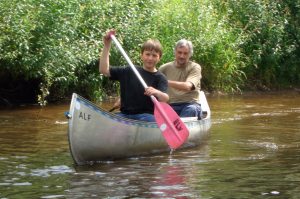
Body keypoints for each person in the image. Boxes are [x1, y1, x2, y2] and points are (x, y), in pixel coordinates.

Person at [99, 30, 169, 122]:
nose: (150, 58)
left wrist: (156, 92)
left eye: (154, 55)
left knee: (151, 119)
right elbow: (104, 70)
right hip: (125, 114)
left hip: (146, 116)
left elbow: (165, 99)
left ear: (159, 58)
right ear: (142, 56)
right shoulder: (130, 70)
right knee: (110, 119)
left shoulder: (161, 78)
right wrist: (107, 45)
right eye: (147, 54)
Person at [159, 39, 202, 119]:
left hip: (190, 104)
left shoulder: (195, 67)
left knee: (191, 110)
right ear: (175, 52)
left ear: (190, 54)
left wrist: (165, 81)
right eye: (179, 52)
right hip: (171, 105)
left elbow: (188, 86)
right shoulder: (164, 68)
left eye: (185, 53)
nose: (182, 56)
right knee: (159, 111)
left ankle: (179, 128)